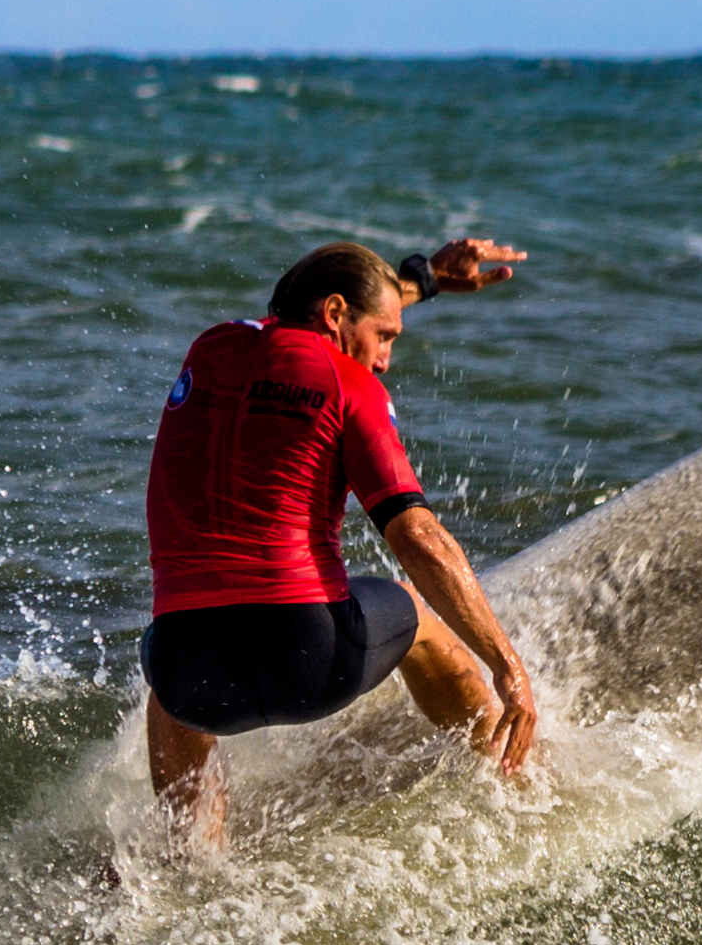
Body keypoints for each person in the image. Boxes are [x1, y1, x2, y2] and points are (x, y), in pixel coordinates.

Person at [139, 236, 539, 847]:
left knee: (170, 684)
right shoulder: (351, 386)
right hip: (305, 659)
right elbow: (418, 536)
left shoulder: (211, 347)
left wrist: (422, 278)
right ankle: (518, 787)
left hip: (192, 676)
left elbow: (291, 320)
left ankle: (190, 861)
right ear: (333, 315)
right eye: (386, 336)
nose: (383, 360)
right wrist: (507, 666)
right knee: (421, 620)